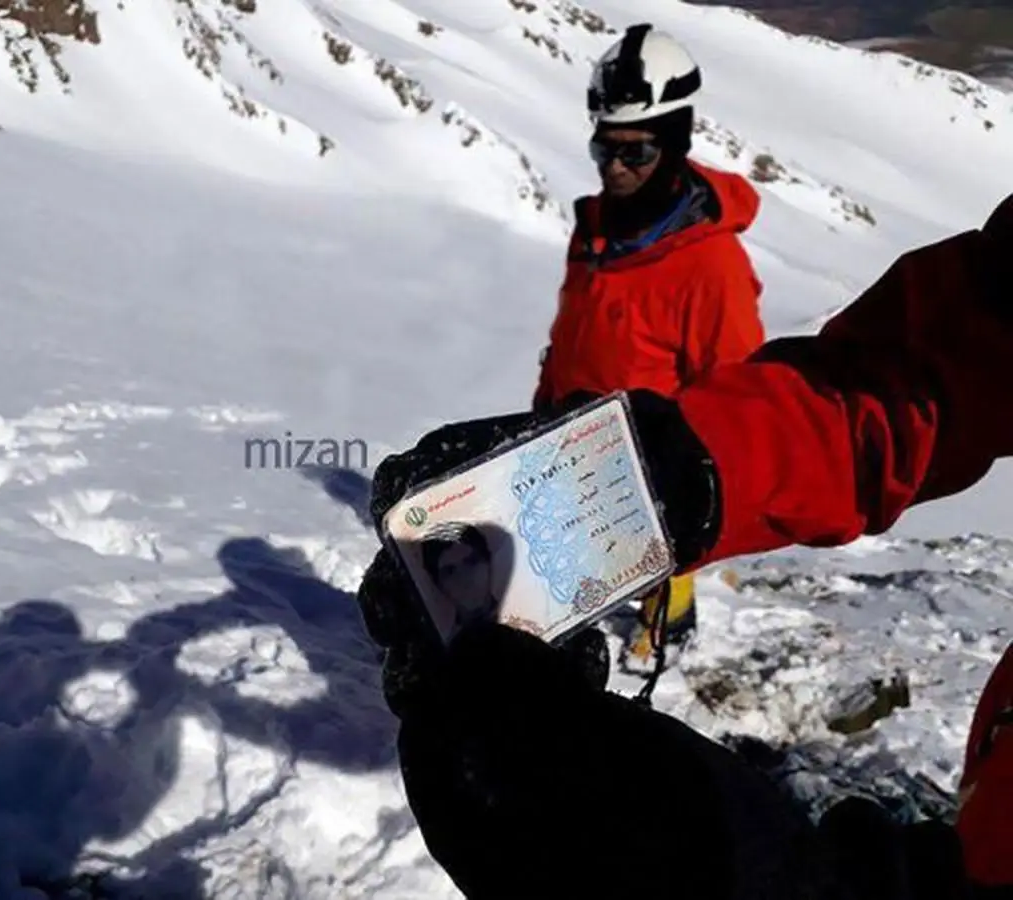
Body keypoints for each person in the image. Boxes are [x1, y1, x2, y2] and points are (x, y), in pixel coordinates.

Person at [357, 190, 1013, 897]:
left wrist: (756, 876)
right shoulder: (596, 238)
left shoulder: (706, 264)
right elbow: (922, 382)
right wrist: (667, 473)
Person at [533, 22, 767, 668]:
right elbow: (576, 325)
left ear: (674, 145)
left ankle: (672, 613)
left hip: (653, 453)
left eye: (635, 152)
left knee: (652, 547)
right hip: (573, 428)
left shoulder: (711, 265)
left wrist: (701, 487)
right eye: (605, 150)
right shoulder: (598, 228)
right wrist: (546, 399)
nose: (615, 167)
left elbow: (736, 390)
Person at [420, 524, 501, 641]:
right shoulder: (448, 652)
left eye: (472, 562)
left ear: (488, 563)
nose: (465, 578)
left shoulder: (526, 615)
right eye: (450, 572)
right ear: (439, 586)